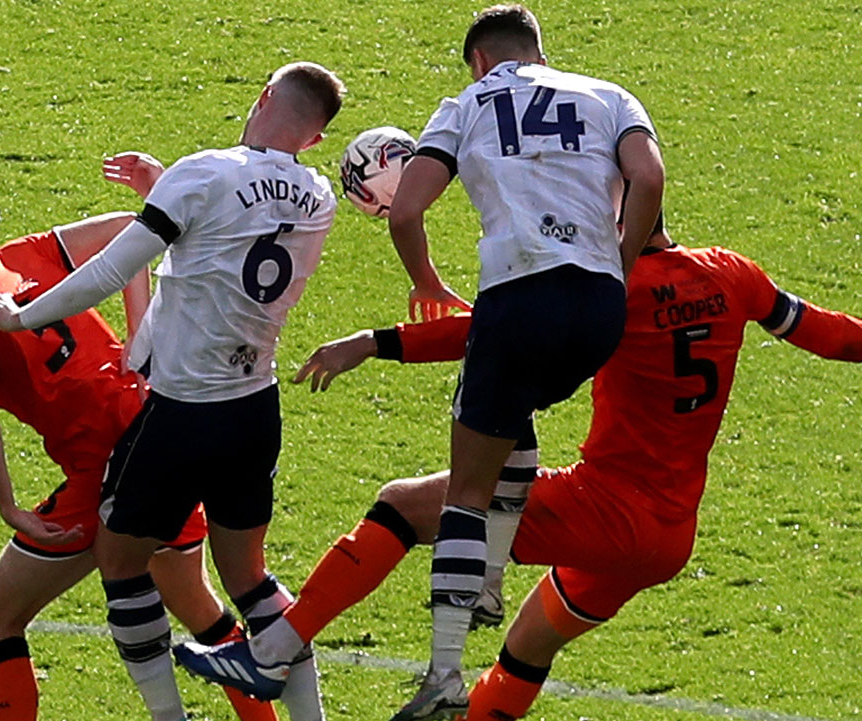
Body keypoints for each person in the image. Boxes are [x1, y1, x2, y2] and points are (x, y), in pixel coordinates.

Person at [176, 214, 862, 721]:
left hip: (609, 509)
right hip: (669, 532)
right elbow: (826, 332)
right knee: (528, 643)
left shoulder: (613, 291)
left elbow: (493, 334)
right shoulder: (732, 273)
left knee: (407, 504)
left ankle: (274, 649)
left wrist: (376, 342)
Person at [0, 63, 346, 721]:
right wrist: (164, 187)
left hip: (180, 411)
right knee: (250, 579)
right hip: (254, 405)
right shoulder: (317, 193)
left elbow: (115, 266)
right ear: (315, 140)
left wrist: (18, 315)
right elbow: (235, 229)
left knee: (120, 559)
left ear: (261, 96)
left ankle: (168, 717)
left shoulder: (201, 173)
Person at [0, 213, 278, 721]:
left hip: (107, 469)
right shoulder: (14, 259)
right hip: (160, 428)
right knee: (191, 598)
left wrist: (8, 506)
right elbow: (134, 228)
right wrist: (139, 329)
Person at [384, 4, 665, 714]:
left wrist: (423, 279)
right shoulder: (608, 94)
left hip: (518, 297)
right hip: (599, 309)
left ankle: (444, 674)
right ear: (541, 51)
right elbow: (648, 177)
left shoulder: (466, 103)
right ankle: (487, 581)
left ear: (480, 60)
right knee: (518, 410)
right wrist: (619, 265)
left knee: (465, 491)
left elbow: (407, 209)